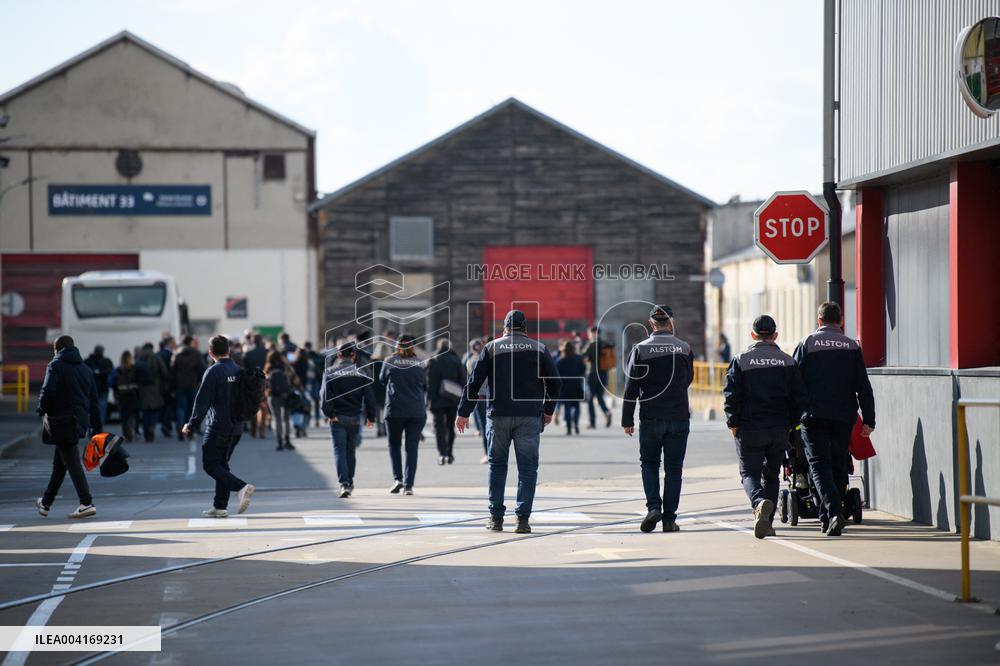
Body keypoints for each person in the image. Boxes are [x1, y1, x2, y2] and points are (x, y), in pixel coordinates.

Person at [457, 310, 561, 534]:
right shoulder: (539, 348)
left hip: (498, 415)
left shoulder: (492, 348)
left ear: (504, 328)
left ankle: (496, 518)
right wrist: (548, 410)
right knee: (528, 469)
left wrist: (464, 412)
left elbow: (474, 383)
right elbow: (555, 382)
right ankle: (522, 520)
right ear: (525, 328)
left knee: (496, 466)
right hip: (529, 416)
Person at [794, 301, 876, 537]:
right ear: (840, 321)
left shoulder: (807, 343)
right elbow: (864, 386)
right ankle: (827, 516)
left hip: (814, 416)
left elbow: (794, 380)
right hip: (843, 417)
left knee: (818, 465)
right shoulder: (851, 346)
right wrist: (869, 420)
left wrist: (792, 413)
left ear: (819, 321)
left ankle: (832, 513)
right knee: (839, 464)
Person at [723, 315, 808, 539]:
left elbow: (731, 394)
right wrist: (791, 424)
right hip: (779, 428)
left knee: (749, 473)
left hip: (750, 428)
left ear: (753, 335)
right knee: (771, 475)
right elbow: (799, 397)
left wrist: (733, 422)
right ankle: (767, 523)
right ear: (775, 335)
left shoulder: (741, 359)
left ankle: (759, 502)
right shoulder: (788, 361)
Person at [621, 305, 694, 534]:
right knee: (674, 469)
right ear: (670, 322)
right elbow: (688, 379)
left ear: (651, 324)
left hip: (651, 416)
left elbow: (631, 386)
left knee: (650, 463)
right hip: (679, 416)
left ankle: (654, 507)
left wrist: (627, 419)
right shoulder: (684, 348)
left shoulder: (640, 349)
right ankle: (669, 520)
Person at [183, 335, 255, 518]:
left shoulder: (214, 371)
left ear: (210, 353)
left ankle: (241, 487)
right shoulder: (238, 369)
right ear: (229, 350)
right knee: (222, 464)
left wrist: (191, 424)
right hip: (236, 427)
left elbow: (202, 402)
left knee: (210, 464)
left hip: (218, 426)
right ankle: (220, 506)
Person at [36, 335, 102, 519]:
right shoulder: (85, 369)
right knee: (60, 465)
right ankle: (46, 503)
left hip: (61, 422)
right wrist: (97, 429)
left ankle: (86, 502)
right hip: (79, 422)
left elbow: (47, 391)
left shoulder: (55, 366)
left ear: (57, 349)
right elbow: (94, 402)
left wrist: (42, 409)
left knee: (72, 463)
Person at [321, 343, 377, 498]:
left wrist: (330, 414)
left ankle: (343, 483)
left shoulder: (330, 372)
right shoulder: (361, 373)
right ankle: (350, 482)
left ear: (338, 356)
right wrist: (371, 417)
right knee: (350, 451)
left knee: (339, 451)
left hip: (337, 417)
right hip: (354, 417)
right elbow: (370, 398)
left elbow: (323, 397)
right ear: (353, 356)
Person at [380, 334, 427, 494]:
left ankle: (398, 479)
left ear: (396, 346)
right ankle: (409, 485)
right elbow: (425, 384)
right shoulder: (420, 362)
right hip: (416, 410)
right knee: (411, 448)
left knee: (394, 445)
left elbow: (382, 380)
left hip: (395, 409)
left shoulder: (389, 361)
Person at [427, 338, 466, 465]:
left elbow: (429, 382)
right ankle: (449, 453)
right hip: (453, 398)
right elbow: (463, 380)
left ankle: (441, 454)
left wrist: (429, 400)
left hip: (437, 400)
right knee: (450, 427)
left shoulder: (433, 360)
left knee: (439, 428)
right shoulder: (455, 360)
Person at [172, 336, 207, 441]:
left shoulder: (176, 353)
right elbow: (202, 369)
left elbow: (172, 372)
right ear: (190, 342)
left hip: (179, 385)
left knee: (180, 408)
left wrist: (171, 387)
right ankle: (189, 431)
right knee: (191, 409)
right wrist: (201, 381)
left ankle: (179, 429)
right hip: (193, 384)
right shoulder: (196, 353)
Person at [462, 338, 489, 463]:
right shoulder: (490, 359)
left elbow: (470, 382)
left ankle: (487, 453)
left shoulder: (470, 361)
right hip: (493, 395)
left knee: (484, 427)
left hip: (480, 396)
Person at [265, 350, 298, 451]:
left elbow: (265, 382)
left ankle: (279, 442)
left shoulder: (268, 367)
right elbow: (294, 379)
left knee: (277, 419)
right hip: (285, 395)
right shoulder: (286, 367)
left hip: (272, 395)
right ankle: (287, 440)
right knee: (286, 419)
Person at [136, 342, 168, 442]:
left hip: (142, 389)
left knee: (145, 412)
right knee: (156, 409)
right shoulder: (156, 357)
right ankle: (152, 426)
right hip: (155, 388)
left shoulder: (139, 359)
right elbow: (164, 372)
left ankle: (146, 432)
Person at [582, 326, 612, 429]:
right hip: (604, 374)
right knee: (600, 398)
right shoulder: (605, 344)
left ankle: (592, 422)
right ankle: (606, 412)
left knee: (590, 400)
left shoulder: (592, 344)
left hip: (593, 374)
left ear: (593, 333)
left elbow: (583, 355)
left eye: (589, 333)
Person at [556, 340, 587, 435]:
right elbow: (583, 369)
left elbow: (557, 373)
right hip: (576, 384)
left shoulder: (560, 360)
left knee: (567, 408)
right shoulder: (578, 358)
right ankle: (576, 424)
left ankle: (569, 428)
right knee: (577, 406)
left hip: (565, 386)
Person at [110, 350, 140, 441]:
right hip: (132, 394)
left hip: (121, 395)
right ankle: (132, 429)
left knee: (123, 415)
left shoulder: (117, 369)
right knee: (132, 414)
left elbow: (111, 382)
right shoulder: (134, 369)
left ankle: (126, 433)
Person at [84, 345, 113, 425]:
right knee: (101, 412)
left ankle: (92, 427)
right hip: (103, 389)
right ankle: (99, 428)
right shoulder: (106, 361)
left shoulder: (88, 361)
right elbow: (110, 372)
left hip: (91, 389)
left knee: (91, 411)